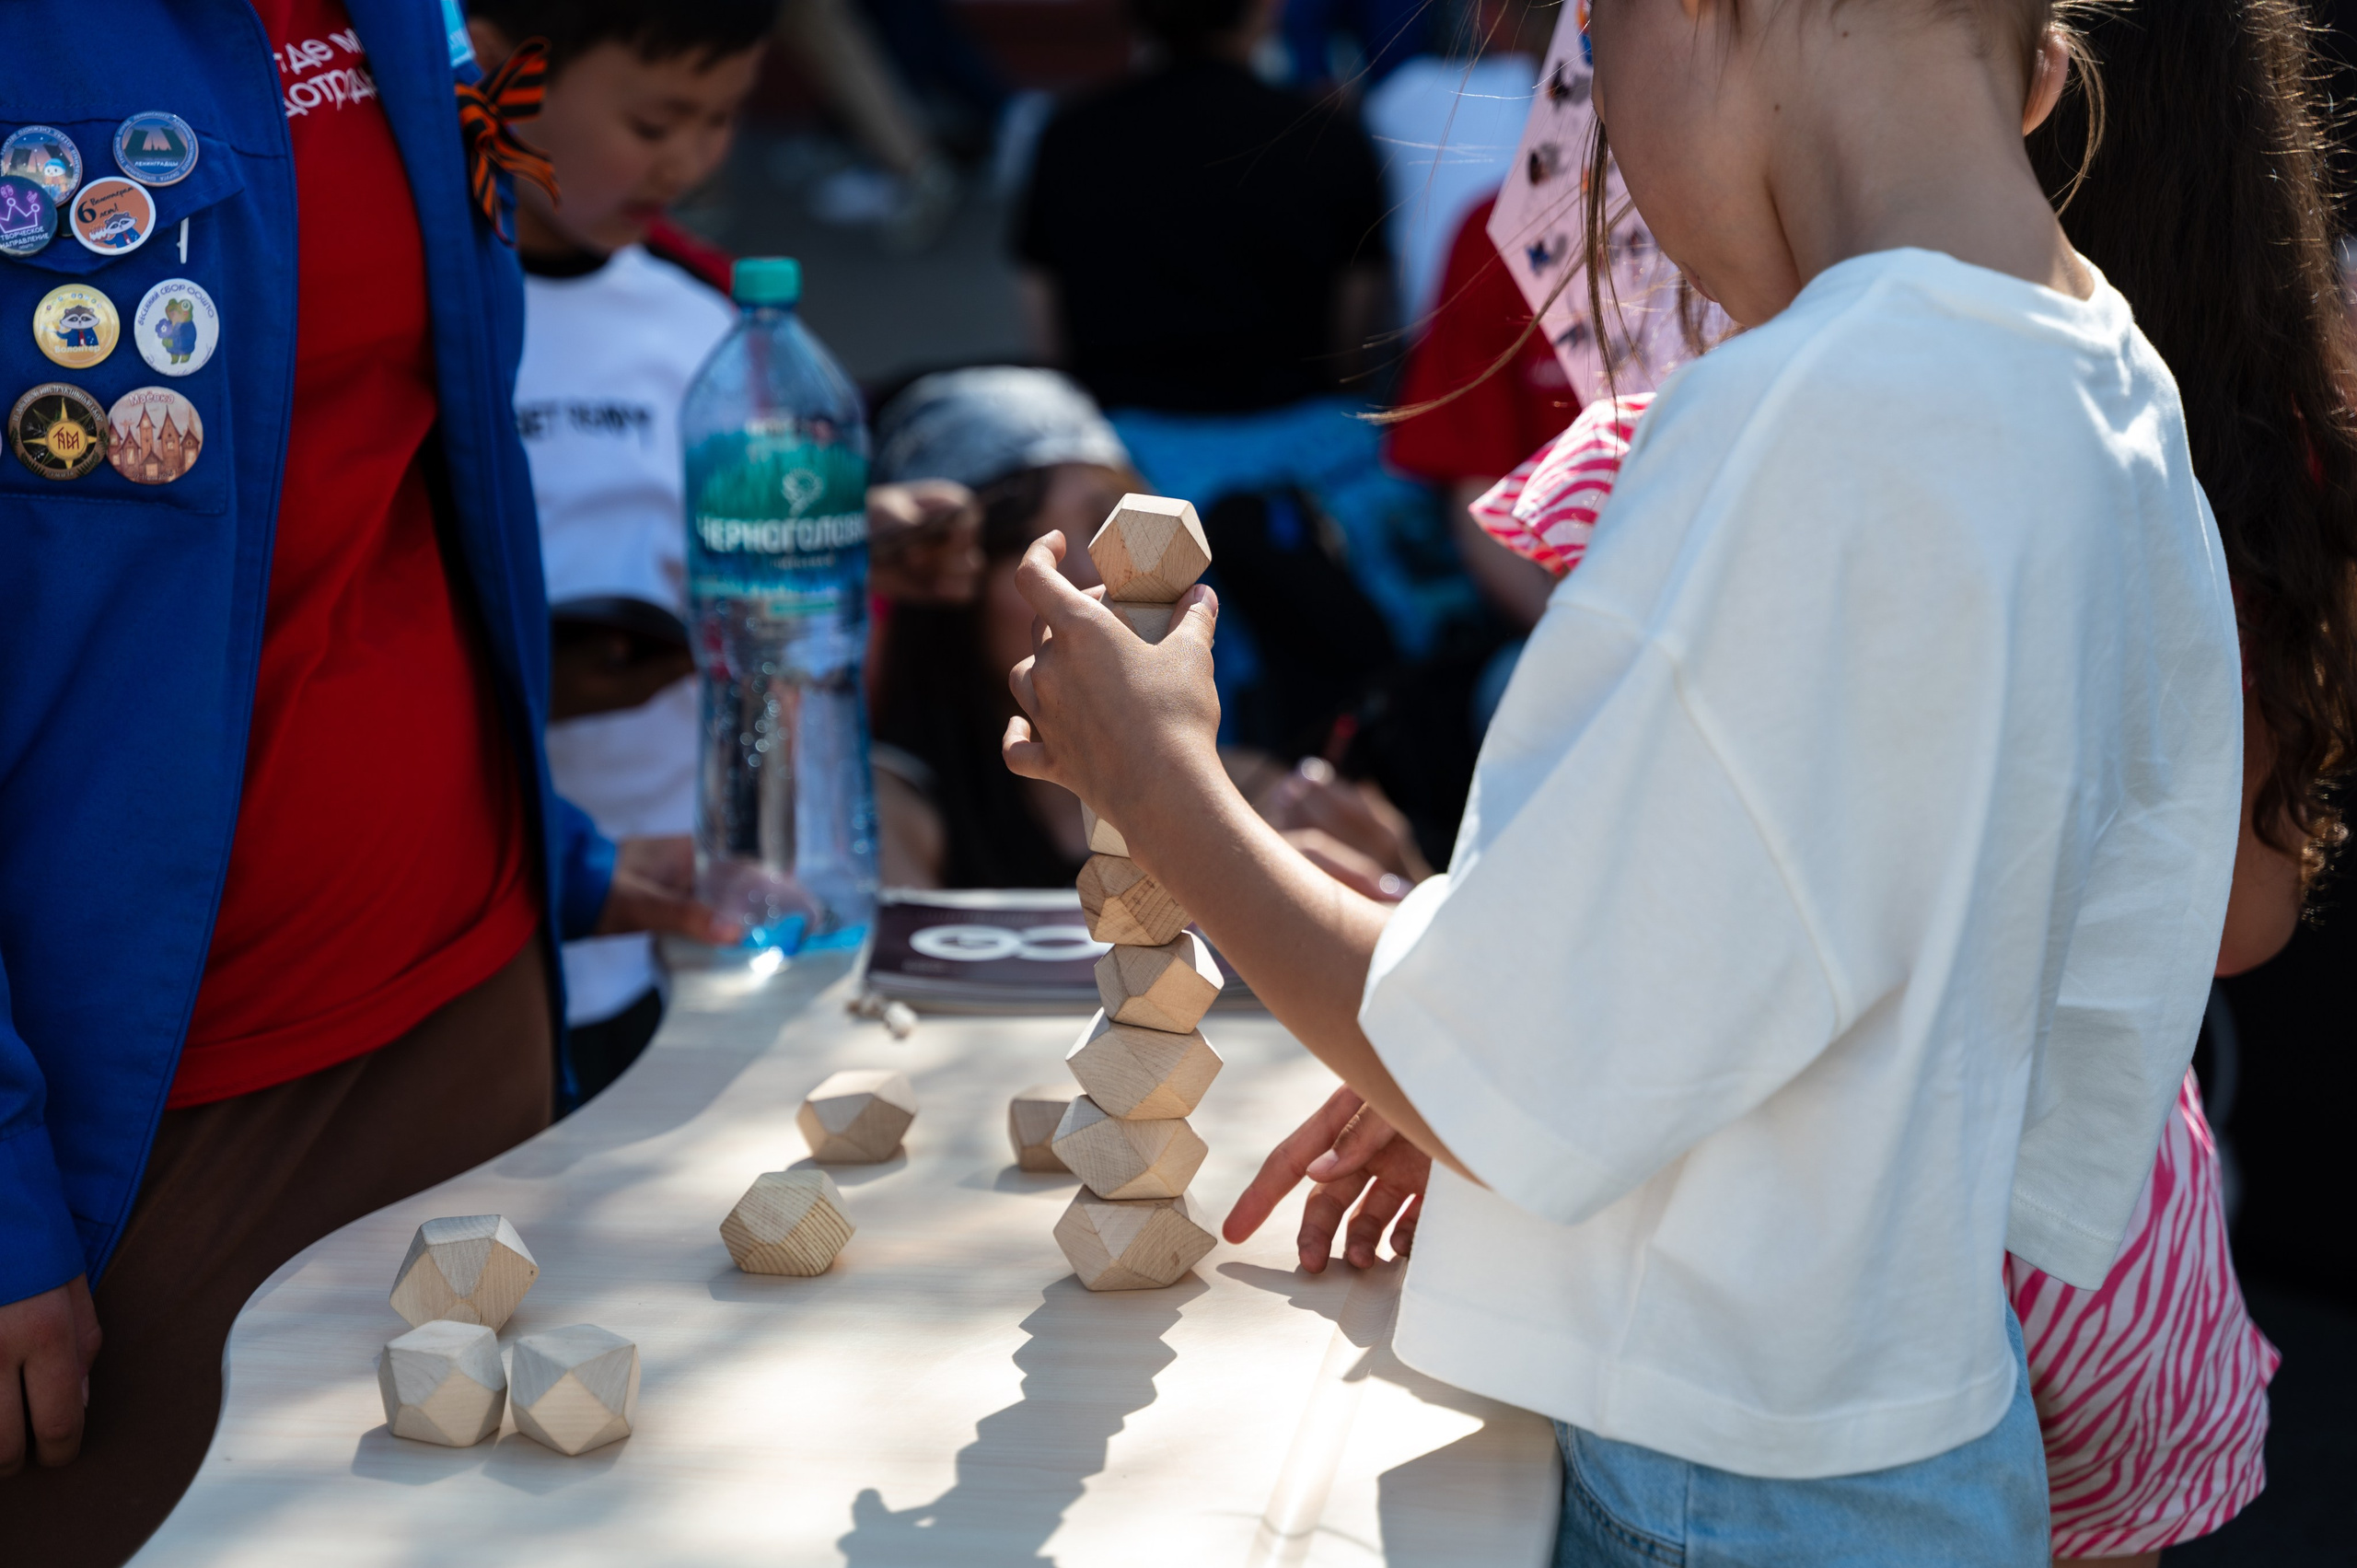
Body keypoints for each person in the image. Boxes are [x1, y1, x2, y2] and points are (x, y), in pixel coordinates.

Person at [1002, 0, 2241, 1557]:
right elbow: (2080, 980)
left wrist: (1164, 779)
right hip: (1927, 1432)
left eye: (1594, 58)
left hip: (1716, 1483)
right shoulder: (2111, 379)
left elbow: (1523, 1070)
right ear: (2037, 65)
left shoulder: (1808, 405)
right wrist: (1530, 1045)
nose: (1609, 151)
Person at [0, 2, 735, 1561]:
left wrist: (568, 853)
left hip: (471, 1011)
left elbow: (404, 487)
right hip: (149, 1122)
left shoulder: (409, 17)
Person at [466, 0, 774, 1104]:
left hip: (665, 915)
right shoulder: (428, 310)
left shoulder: (705, 331)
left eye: (721, 118)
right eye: (655, 121)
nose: (688, 159)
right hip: (473, 908)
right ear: (509, 74)